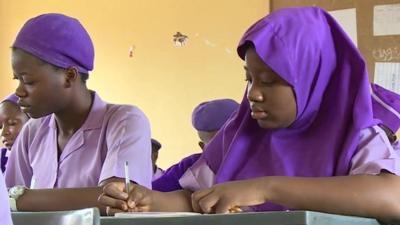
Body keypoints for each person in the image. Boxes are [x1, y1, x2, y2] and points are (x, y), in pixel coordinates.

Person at [99, 7, 400, 222]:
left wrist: (265, 187)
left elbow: (392, 197)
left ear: (313, 78)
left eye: (269, 81)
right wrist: (152, 201)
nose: (254, 93)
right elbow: (202, 197)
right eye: (249, 79)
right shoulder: (241, 135)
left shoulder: (356, 135)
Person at [5, 13, 152, 215]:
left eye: (28, 81)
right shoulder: (32, 132)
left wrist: (23, 198)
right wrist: (16, 198)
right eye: (17, 80)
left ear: (69, 76)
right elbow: (7, 204)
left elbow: (118, 199)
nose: (19, 91)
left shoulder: (124, 121)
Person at [152, 99, 239, 191]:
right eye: (216, 146)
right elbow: (153, 193)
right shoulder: (190, 166)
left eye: (233, 140)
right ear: (203, 148)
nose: (228, 148)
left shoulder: (254, 163)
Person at [0, 94, 29, 173]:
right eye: (0, 127)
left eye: (12, 123)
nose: (3, 133)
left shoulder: (43, 155)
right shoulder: (2, 159)